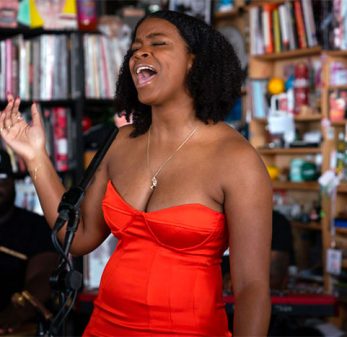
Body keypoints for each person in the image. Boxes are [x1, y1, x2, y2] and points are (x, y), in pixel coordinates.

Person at [0, 10, 272, 336]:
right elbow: (77, 236)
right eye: (135, 47)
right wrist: (36, 157)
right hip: (104, 327)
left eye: (158, 43)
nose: (141, 52)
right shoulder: (119, 143)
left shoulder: (237, 159)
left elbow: (252, 288)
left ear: (194, 62)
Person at [0, 149, 58, 335]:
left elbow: (44, 277)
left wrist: (17, 310)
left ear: (13, 182)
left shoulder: (36, 226)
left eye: (1, 177)